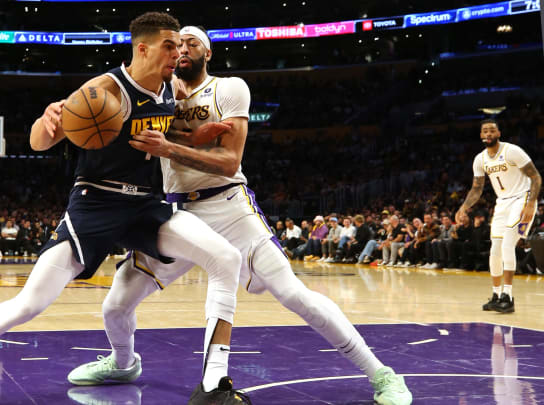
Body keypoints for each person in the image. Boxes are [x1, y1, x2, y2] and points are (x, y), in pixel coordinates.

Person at [0, 12, 243, 405]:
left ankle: (214, 383)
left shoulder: (170, 88)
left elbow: (162, 126)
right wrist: (47, 122)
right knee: (30, 303)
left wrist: (195, 135)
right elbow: (39, 142)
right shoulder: (103, 90)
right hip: (97, 204)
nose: (179, 52)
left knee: (225, 257)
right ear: (143, 48)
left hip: (145, 206)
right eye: (170, 45)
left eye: (181, 45)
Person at [67, 25, 411, 405]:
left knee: (295, 294)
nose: (182, 49)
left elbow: (229, 162)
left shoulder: (228, 88)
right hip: (174, 212)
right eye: (176, 44)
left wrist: (170, 148)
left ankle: (381, 374)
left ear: (207, 53)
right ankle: (122, 362)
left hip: (228, 206)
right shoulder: (157, 95)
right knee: (116, 304)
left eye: (191, 43)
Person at [456, 119, 541, 313]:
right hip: (502, 203)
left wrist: (530, 204)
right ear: (480, 135)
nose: (488, 133)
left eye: (492, 130)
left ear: (498, 133)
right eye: (484, 131)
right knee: (495, 248)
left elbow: (536, 177)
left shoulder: (512, 151)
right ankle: (496, 294)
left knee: (507, 244)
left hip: (522, 198)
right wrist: (463, 207)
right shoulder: (480, 159)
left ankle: (508, 296)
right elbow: (476, 189)